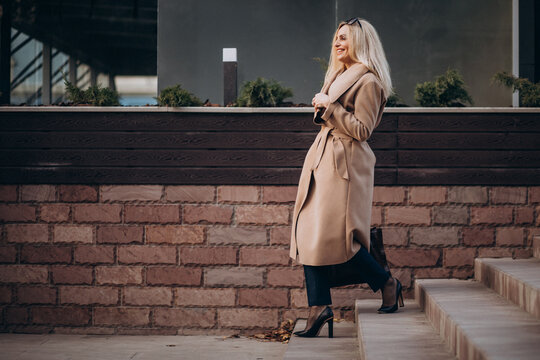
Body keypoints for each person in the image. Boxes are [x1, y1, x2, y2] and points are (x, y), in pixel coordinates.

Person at [289, 17, 403, 338]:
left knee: (342, 238)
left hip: (345, 167)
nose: (337, 44)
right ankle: (319, 306)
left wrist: (329, 106)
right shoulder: (339, 76)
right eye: (336, 38)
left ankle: (386, 282)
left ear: (361, 43)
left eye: (345, 39)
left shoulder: (369, 82)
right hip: (324, 160)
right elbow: (334, 119)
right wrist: (324, 104)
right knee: (311, 235)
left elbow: (363, 130)